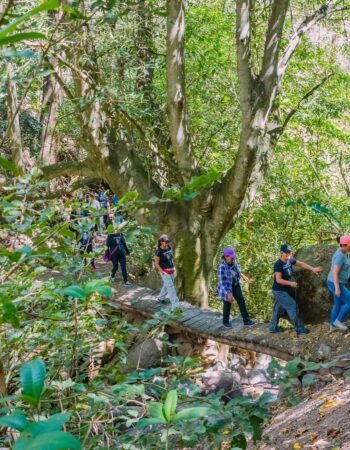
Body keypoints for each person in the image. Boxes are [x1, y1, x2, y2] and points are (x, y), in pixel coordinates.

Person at [269, 244, 323, 335]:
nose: (288, 254)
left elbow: (301, 264)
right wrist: (290, 283)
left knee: (278, 309)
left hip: (285, 290)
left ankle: (273, 327)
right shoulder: (278, 264)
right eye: (286, 252)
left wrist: (312, 269)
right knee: (292, 307)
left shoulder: (290, 260)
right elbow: (278, 280)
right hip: (279, 290)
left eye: (289, 252)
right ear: (281, 253)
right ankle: (300, 329)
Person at [217, 247, 254, 329]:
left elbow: (237, 270)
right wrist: (228, 294)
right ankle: (225, 322)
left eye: (234, 257)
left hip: (235, 285)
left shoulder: (233, 262)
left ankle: (246, 321)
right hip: (226, 288)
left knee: (241, 301)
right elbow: (223, 283)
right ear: (226, 257)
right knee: (227, 304)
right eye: (231, 257)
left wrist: (242, 276)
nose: (233, 259)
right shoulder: (222, 267)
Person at [327, 235, 350, 331]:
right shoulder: (339, 256)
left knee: (337, 304)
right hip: (335, 283)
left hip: (336, 282)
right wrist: (337, 288)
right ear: (344, 245)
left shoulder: (345, 252)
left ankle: (332, 325)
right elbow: (335, 273)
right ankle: (338, 321)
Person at [154, 234, 181, 311]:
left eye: (168, 241)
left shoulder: (169, 248)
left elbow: (171, 258)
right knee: (171, 288)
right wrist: (162, 272)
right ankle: (176, 306)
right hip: (165, 272)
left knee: (167, 285)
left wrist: (173, 267)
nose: (167, 243)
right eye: (166, 242)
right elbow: (156, 263)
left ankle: (160, 297)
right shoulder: (158, 251)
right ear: (161, 242)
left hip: (172, 270)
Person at [106, 222, 131, 286]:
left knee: (123, 267)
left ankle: (126, 281)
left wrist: (127, 251)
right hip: (114, 254)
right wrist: (110, 236)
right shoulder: (110, 235)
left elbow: (124, 243)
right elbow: (108, 245)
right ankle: (112, 276)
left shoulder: (121, 235)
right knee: (115, 267)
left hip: (122, 253)